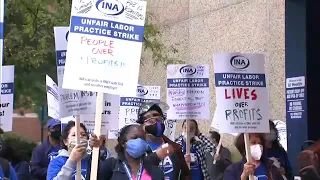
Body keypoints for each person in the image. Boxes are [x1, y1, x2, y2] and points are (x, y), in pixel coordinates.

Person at [136, 102, 191, 180]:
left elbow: (185, 175)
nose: (156, 123)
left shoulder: (175, 147)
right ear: (142, 125)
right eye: (150, 120)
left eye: (158, 119)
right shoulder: (137, 149)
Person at [98, 124, 174, 179]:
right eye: (135, 138)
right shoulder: (111, 165)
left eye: (142, 138)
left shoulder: (154, 170)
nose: (139, 141)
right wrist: (97, 149)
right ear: (123, 143)